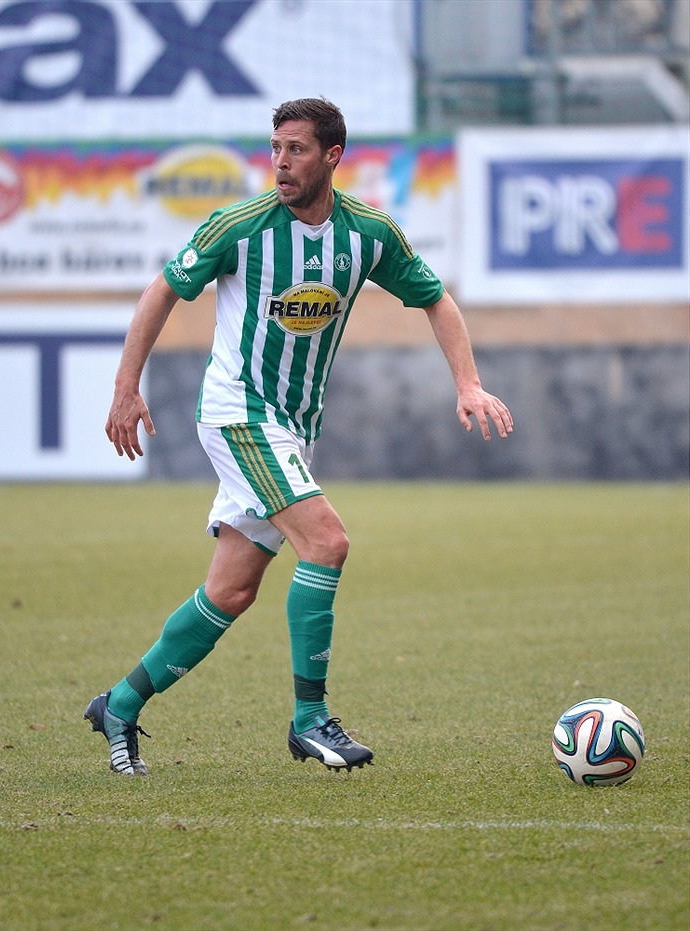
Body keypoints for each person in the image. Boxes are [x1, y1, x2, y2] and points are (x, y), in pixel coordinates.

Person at [84, 97, 513, 775]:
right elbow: (163, 290)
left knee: (231, 590)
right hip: (237, 413)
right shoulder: (243, 225)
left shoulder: (368, 233)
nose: (281, 162)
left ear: (332, 157)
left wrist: (467, 382)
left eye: (298, 149)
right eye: (276, 147)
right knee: (329, 540)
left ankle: (120, 703)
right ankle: (310, 721)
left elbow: (435, 296)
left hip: (291, 427)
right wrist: (125, 387)